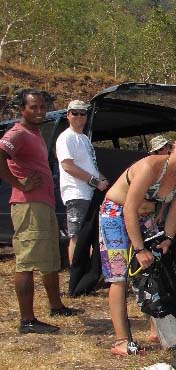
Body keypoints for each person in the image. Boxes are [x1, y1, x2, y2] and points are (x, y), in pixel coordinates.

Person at [99, 126, 176, 355]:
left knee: (155, 269)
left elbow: (174, 213)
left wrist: (167, 238)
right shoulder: (151, 165)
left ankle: (157, 330)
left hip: (145, 217)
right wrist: (138, 249)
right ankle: (121, 341)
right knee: (119, 276)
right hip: (115, 214)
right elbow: (129, 208)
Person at [0, 89, 80, 334]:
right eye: (33, 107)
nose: (39, 111)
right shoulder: (17, 133)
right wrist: (18, 183)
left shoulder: (35, 133)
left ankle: (56, 305)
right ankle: (27, 320)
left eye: (42, 107)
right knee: (26, 261)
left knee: (49, 259)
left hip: (43, 204)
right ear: (22, 109)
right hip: (28, 204)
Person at [56, 99, 109, 264]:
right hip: (77, 194)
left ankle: (87, 274)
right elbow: (68, 166)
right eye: (75, 113)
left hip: (90, 193)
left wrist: (102, 178)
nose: (79, 116)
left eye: (82, 113)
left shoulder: (84, 138)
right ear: (68, 115)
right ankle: (75, 275)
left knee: (90, 235)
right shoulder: (66, 137)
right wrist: (95, 182)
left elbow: (89, 165)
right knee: (77, 236)